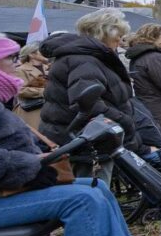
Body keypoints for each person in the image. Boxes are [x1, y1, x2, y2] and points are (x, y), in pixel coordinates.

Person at [0, 34, 147, 236]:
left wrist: (43, 155)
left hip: (9, 188)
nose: (15, 62)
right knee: (81, 201)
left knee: (97, 187)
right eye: (9, 58)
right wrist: (31, 164)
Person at [39, 12, 145, 182]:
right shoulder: (84, 60)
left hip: (87, 139)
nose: (120, 40)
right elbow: (88, 104)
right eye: (118, 35)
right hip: (88, 143)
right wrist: (124, 121)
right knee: (94, 189)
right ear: (103, 33)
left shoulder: (88, 57)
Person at [12, 42, 50, 130]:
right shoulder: (20, 70)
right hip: (31, 110)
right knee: (34, 135)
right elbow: (20, 90)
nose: (45, 52)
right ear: (31, 54)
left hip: (49, 109)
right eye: (41, 51)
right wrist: (46, 92)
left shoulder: (50, 68)